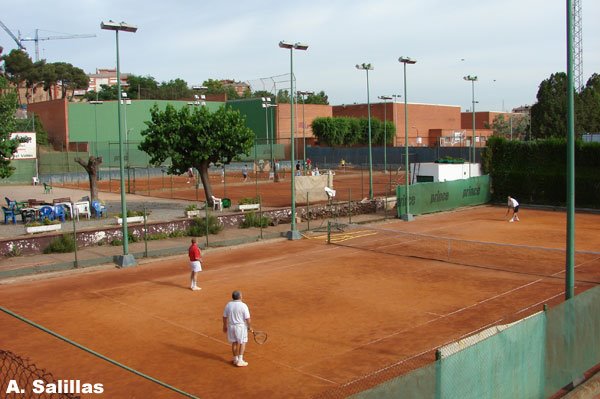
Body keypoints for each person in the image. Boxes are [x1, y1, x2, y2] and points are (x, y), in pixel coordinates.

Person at [223, 290, 252, 367]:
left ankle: (235, 359)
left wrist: (224, 326)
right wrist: (249, 327)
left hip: (231, 326)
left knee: (234, 342)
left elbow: (224, 317)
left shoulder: (228, 305)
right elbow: (248, 319)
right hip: (240, 327)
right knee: (243, 342)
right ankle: (240, 360)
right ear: (240, 297)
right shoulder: (243, 305)